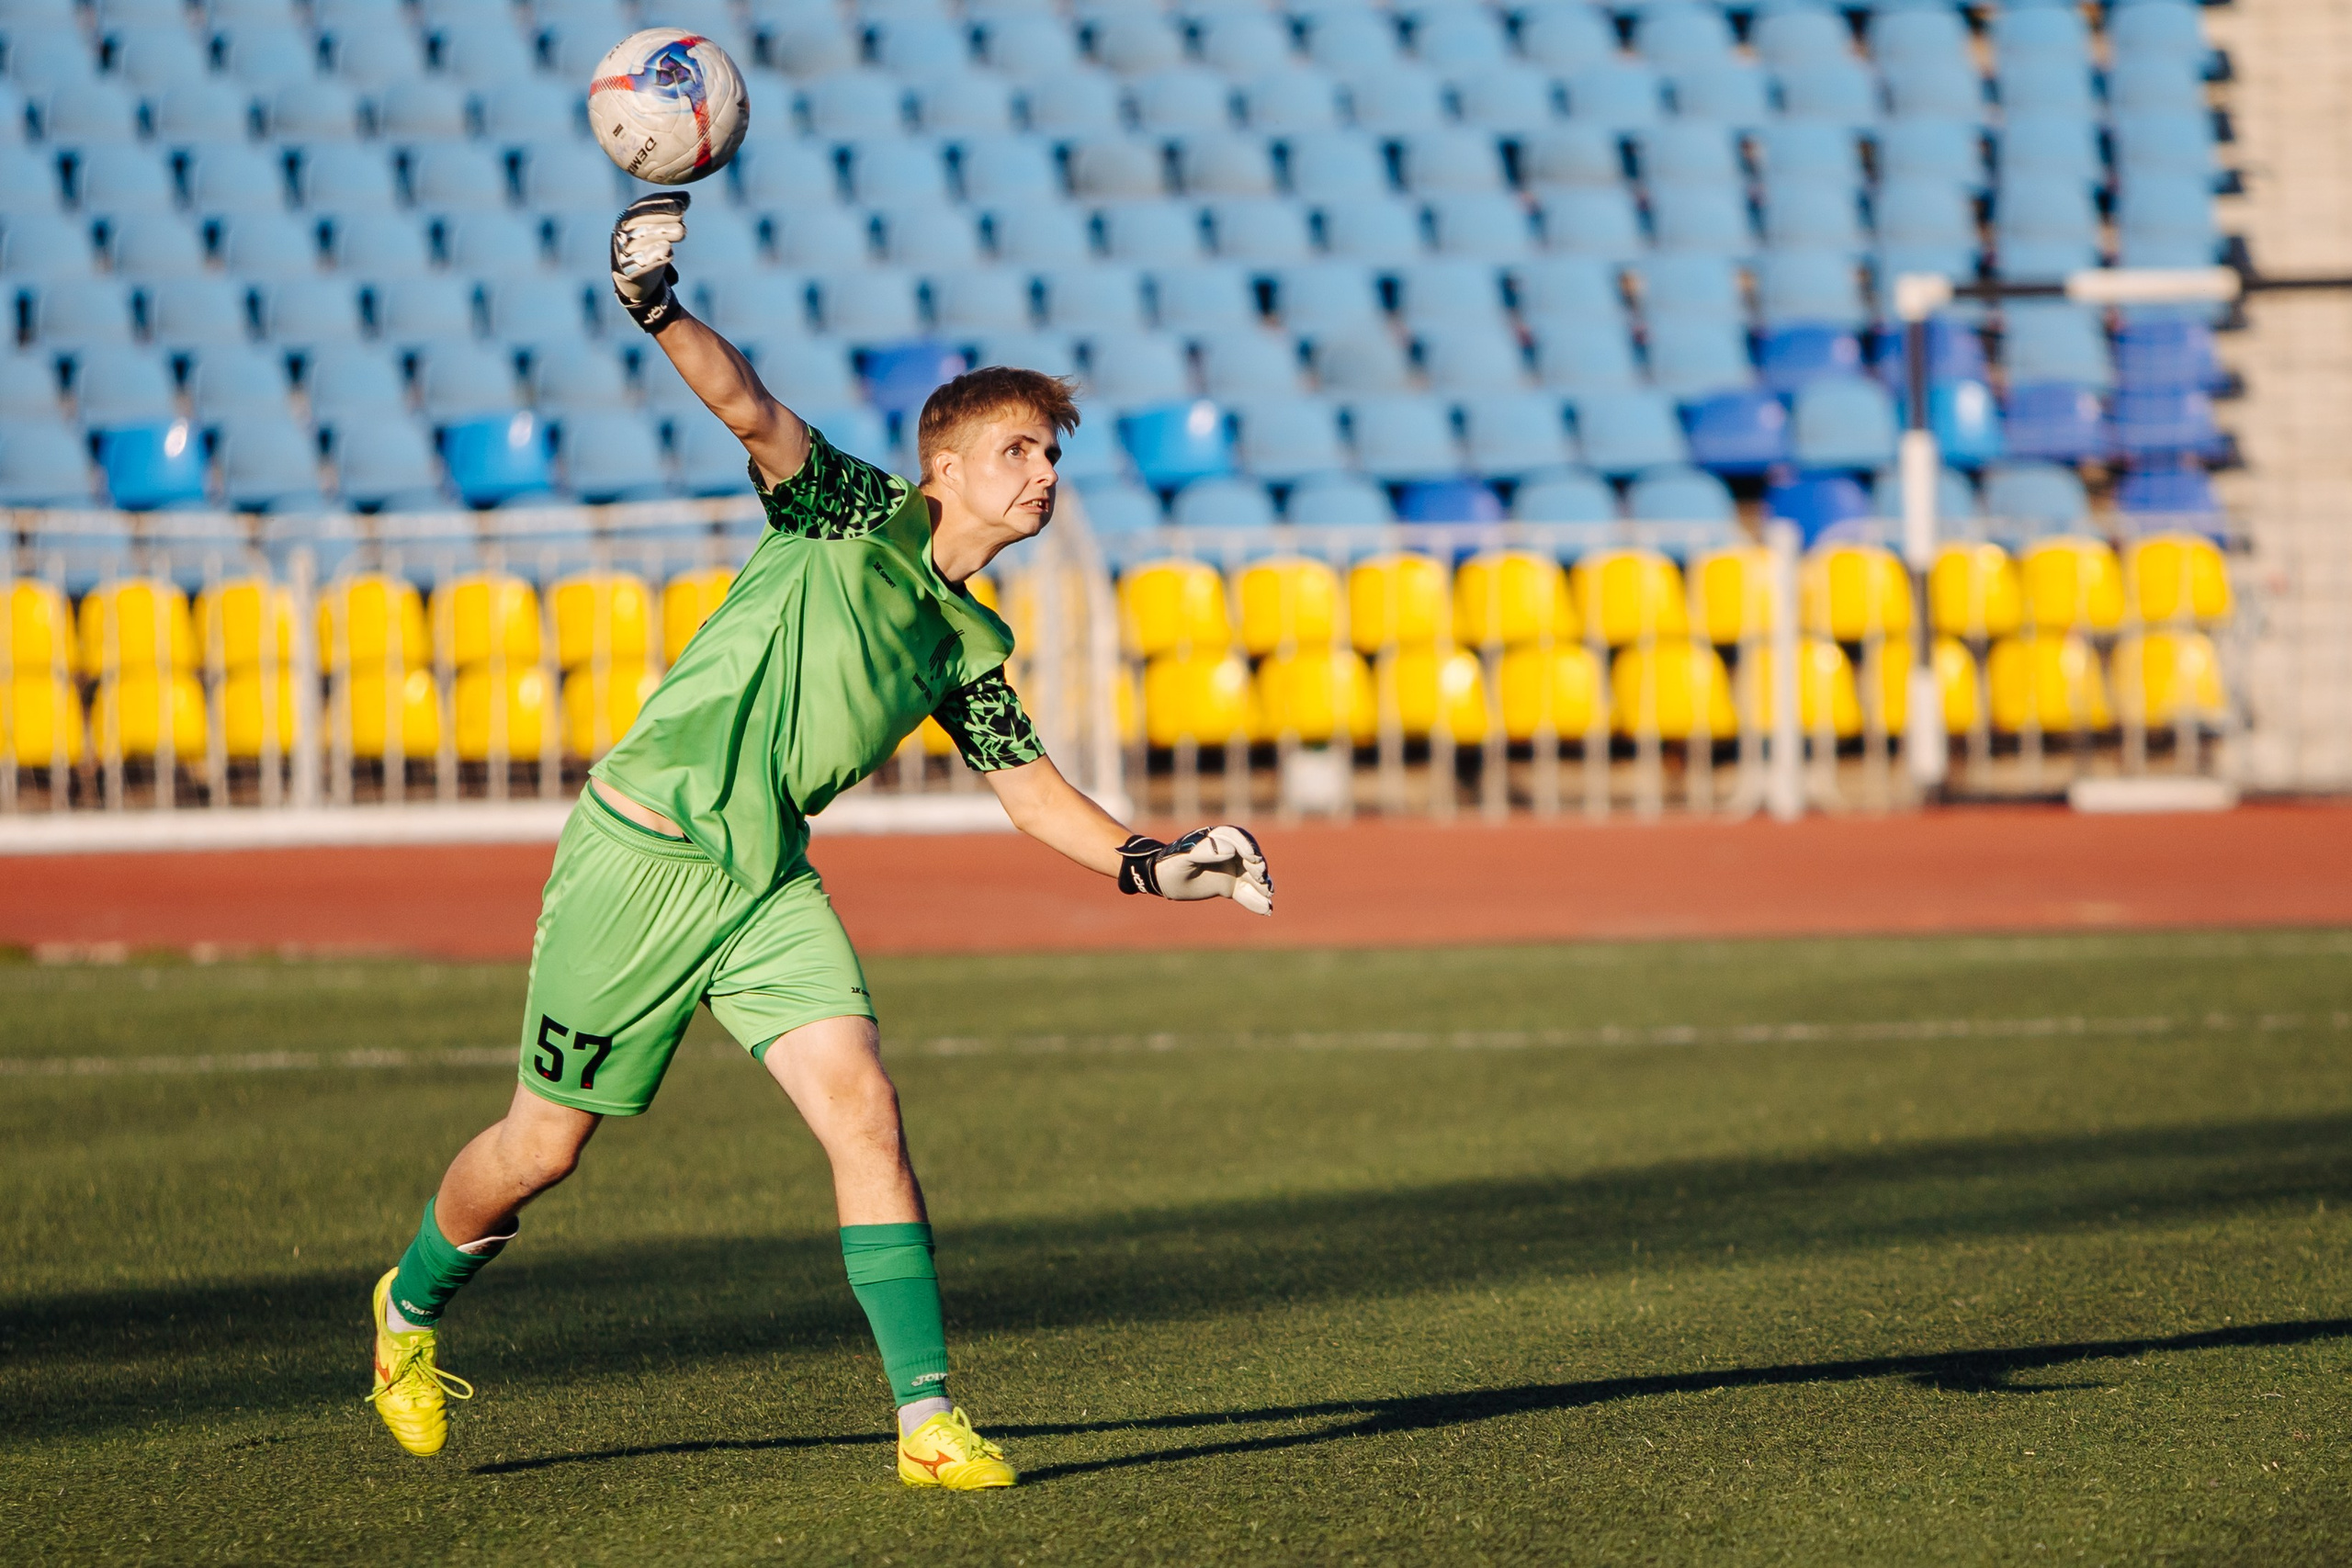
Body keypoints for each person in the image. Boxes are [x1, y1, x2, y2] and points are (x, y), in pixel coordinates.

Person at [365, 192, 1275, 1489]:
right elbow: (748, 408)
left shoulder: (969, 646)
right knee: (541, 1150)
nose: (1045, 475)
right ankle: (405, 1311)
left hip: (763, 882)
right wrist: (657, 303)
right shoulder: (847, 510)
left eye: (1055, 457)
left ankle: (926, 1420)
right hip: (641, 854)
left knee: (865, 1109)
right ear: (944, 466)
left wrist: (1169, 863)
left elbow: (1036, 800)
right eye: (1020, 449)